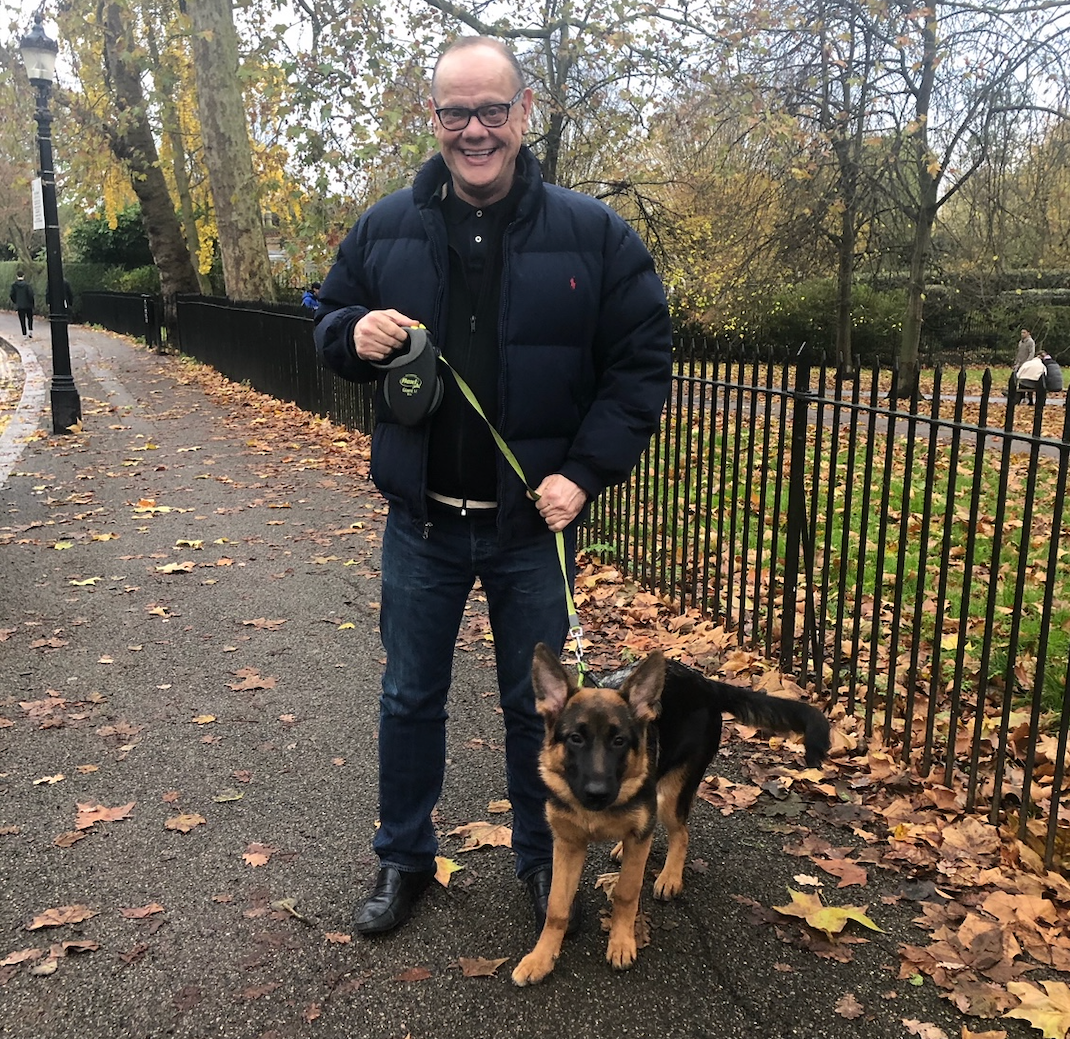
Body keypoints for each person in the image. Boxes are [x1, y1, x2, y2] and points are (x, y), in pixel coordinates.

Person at [314, 36, 672, 939]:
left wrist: (584, 474)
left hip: (530, 533)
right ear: (431, 118)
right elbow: (323, 317)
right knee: (408, 698)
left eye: (492, 111)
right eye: (454, 112)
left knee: (537, 707)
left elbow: (641, 364)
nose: (474, 130)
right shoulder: (384, 226)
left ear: (525, 114)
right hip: (422, 524)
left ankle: (534, 857)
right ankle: (404, 858)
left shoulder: (594, 234)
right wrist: (348, 333)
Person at [9, 271, 35, 337]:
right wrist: (32, 303)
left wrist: (16, 301)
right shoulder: (27, 285)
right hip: (28, 305)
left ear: (17, 276)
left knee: (22, 319)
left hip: (20, 305)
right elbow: (30, 294)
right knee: (30, 318)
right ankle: (30, 331)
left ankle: (24, 334)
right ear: (23, 276)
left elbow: (12, 295)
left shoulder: (14, 285)